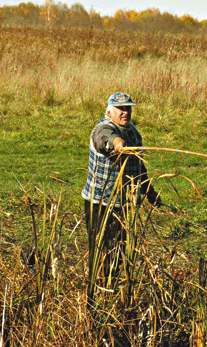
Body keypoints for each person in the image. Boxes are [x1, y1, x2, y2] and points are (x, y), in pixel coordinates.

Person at [81, 91, 161, 281]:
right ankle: (95, 290)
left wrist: (150, 193)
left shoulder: (133, 133)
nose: (125, 112)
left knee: (118, 250)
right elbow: (104, 139)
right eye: (120, 109)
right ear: (109, 112)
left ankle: (113, 286)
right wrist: (117, 143)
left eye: (128, 109)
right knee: (100, 251)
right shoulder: (102, 129)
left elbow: (138, 168)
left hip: (122, 204)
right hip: (99, 203)